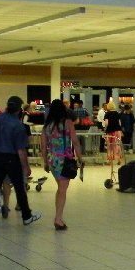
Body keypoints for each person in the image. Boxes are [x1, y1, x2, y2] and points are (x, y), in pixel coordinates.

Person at [0, 96, 41, 228]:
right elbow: (21, 150)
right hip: (11, 158)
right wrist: (26, 167)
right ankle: (26, 216)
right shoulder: (18, 126)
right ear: (19, 109)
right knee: (19, 187)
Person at [40, 99, 84, 231]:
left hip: (53, 160)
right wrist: (80, 158)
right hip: (65, 160)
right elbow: (75, 142)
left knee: (60, 188)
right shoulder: (68, 123)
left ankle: (58, 217)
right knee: (62, 189)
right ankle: (58, 219)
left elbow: (43, 146)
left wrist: (45, 162)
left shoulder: (47, 126)